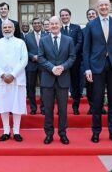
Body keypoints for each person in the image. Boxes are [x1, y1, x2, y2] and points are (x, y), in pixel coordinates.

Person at [83, 0, 112, 143]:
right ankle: (96, 132)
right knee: (97, 101)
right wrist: (87, 68)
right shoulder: (91, 25)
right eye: (101, 5)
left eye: (106, 5)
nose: (103, 7)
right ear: (97, 7)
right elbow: (86, 49)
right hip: (96, 67)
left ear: (110, 6)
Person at [38, 16, 76, 145]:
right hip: (48, 79)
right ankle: (49, 134)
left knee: (63, 110)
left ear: (60, 25)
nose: (54, 26)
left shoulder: (69, 40)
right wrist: (52, 68)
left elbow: (72, 57)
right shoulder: (43, 40)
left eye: (56, 23)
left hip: (63, 79)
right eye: (51, 24)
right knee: (48, 109)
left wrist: (63, 67)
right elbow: (41, 58)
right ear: (48, 26)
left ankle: (63, 134)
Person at [0, 20, 28, 142]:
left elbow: (24, 60)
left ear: (14, 29)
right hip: (1, 80)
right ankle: (6, 131)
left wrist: (13, 75)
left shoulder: (20, 42)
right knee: (3, 106)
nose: (7, 29)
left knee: (17, 105)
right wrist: (2, 75)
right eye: (4, 27)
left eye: (9, 27)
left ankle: (16, 131)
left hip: (17, 79)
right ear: (1, 30)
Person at [60, 8, 83, 115]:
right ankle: (61, 108)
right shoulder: (59, 29)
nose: (64, 17)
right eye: (62, 15)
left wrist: (72, 53)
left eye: (66, 15)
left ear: (70, 16)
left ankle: (76, 106)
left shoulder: (76, 28)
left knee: (76, 83)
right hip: (62, 61)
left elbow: (79, 42)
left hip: (75, 61)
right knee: (61, 84)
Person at [24, 17, 46, 115]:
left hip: (43, 65)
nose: (37, 25)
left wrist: (40, 57)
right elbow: (24, 51)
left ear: (41, 24)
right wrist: (33, 56)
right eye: (35, 23)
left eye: (38, 23)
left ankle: (43, 108)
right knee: (31, 87)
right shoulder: (27, 36)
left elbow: (49, 50)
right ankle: (33, 108)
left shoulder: (47, 35)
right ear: (32, 25)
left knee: (44, 87)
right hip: (31, 65)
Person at [81, 8, 98, 115]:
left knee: (100, 86)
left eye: (93, 14)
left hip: (100, 62)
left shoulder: (102, 28)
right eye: (89, 14)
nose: (91, 15)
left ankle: (100, 107)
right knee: (90, 86)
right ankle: (92, 106)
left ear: (96, 15)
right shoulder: (83, 31)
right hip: (88, 62)